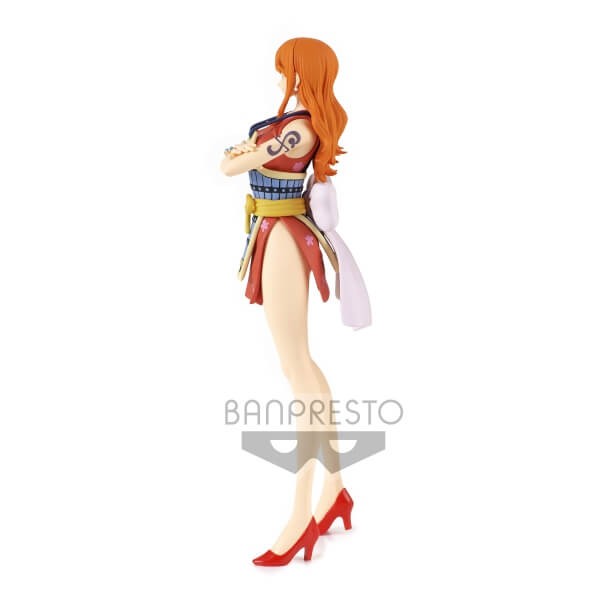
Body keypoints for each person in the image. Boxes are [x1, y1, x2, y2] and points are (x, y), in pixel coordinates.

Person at [220, 37, 355, 566]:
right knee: (303, 366)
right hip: (274, 232)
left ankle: (301, 514)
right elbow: (238, 158)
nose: (279, 76)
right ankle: (335, 489)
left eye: (285, 68)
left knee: (296, 367)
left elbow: (232, 165)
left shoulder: (298, 127)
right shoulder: (297, 122)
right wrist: (241, 154)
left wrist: (241, 153)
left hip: (281, 236)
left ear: (301, 72)